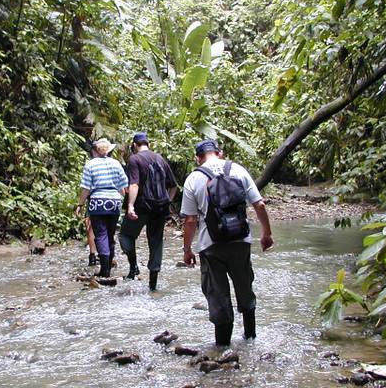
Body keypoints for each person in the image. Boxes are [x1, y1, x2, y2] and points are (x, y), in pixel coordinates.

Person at [180, 139, 274, 347]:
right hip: (240, 240)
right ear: (219, 153)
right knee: (244, 286)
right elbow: (259, 204)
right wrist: (266, 234)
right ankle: (250, 339)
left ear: (198, 158)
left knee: (217, 294)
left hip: (210, 245)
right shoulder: (238, 170)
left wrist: (187, 250)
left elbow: (190, 220)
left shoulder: (193, 178)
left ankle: (222, 351)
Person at [119, 132, 177, 291]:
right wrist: (168, 202)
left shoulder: (134, 159)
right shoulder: (160, 158)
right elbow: (173, 186)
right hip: (160, 208)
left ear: (135, 145)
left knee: (125, 235)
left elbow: (134, 184)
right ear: (148, 144)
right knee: (156, 242)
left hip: (141, 207)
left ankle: (133, 268)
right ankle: (153, 285)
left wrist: (130, 205)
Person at [75, 138, 128, 277]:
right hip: (114, 203)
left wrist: (80, 204)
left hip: (97, 203)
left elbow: (86, 188)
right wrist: (126, 202)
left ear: (95, 151)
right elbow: (123, 185)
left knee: (100, 235)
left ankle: (105, 270)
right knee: (110, 235)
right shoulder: (116, 164)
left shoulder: (90, 165)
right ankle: (108, 266)